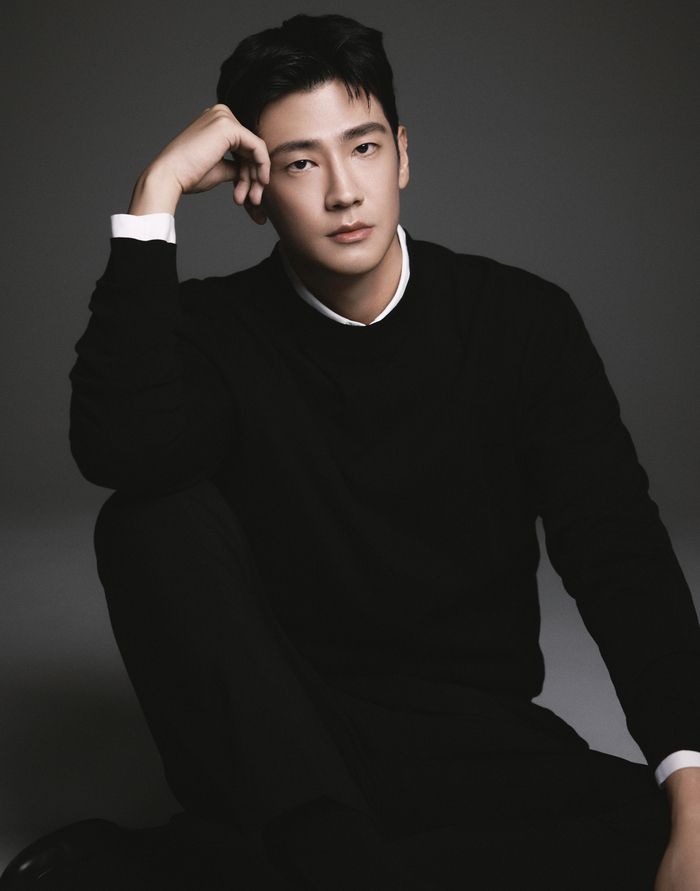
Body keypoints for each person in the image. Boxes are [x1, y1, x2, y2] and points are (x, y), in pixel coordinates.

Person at [3, 12, 700, 891]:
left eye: (363, 148)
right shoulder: (215, 332)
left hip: (475, 742)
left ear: (402, 156)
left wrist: (694, 802)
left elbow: (619, 554)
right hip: (283, 745)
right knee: (148, 517)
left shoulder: (522, 322)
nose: (343, 192)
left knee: (658, 832)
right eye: (301, 163)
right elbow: (118, 450)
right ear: (255, 189)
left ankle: (212, 866)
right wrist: (157, 194)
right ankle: (322, 854)